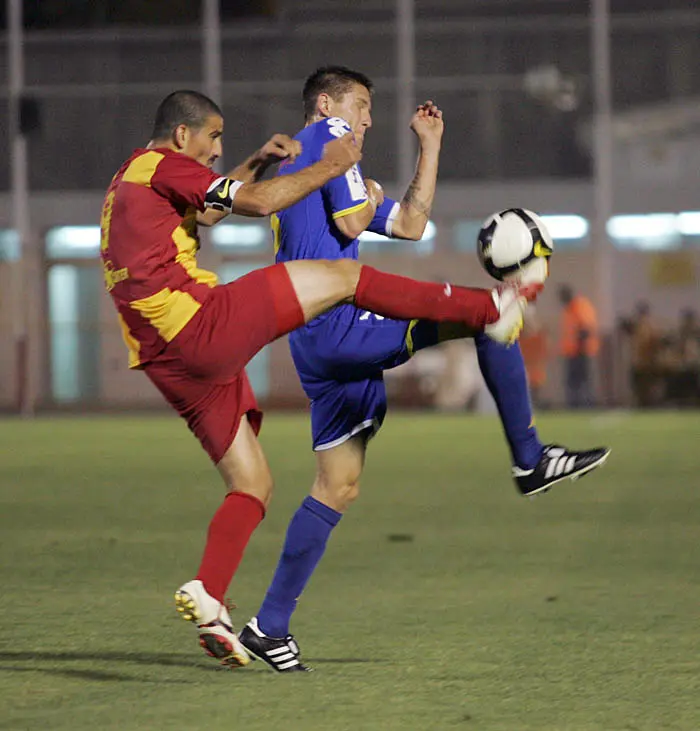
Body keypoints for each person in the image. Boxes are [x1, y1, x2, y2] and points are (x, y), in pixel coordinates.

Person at [100, 89, 535, 670]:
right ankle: (488, 308)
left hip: (166, 361)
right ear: (183, 136)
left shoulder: (132, 178)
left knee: (252, 486)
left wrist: (254, 160)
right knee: (345, 275)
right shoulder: (165, 164)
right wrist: (332, 166)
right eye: (213, 139)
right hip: (197, 325)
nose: (216, 150)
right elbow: (251, 206)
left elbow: (208, 209)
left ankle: (209, 595)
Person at [235, 67, 610, 672]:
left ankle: (267, 627)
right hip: (337, 325)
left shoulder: (322, 167)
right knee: (487, 317)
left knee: (337, 487)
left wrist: (429, 147)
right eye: (361, 106)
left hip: (316, 339)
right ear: (327, 105)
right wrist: (365, 188)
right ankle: (529, 457)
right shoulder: (327, 139)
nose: (367, 120)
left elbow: (409, 226)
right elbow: (359, 222)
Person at [558, 284, 599, 408]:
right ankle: (574, 405)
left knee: (583, 380)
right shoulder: (568, 309)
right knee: (573, 381)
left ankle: (586, 405)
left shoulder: (580, 306)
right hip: (572, 352)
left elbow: (586, 328)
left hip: (581, 351)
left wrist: (580, 348)